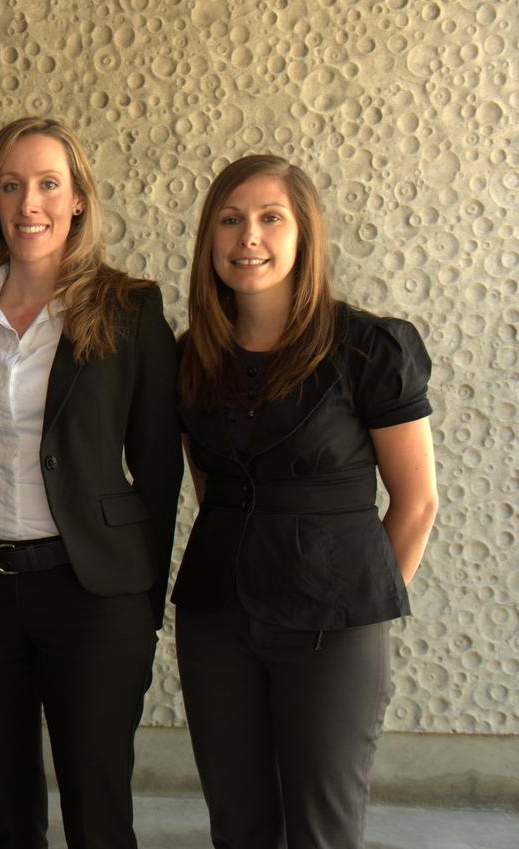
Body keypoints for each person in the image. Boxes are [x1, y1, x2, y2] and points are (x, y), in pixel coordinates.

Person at [173, 154, 439, 849]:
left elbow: (416, 502)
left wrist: (361, 610)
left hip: (335, 628)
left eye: (269, 218)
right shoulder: (192, 356)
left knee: (321, 831)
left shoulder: (369, 348)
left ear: (303, 234)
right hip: (218, 621)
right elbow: (212, 485)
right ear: (209, 238)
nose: (247, 237)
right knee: (238, 826)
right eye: (229, 221)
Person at [0, 117, 182, 849]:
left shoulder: (130, 310)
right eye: (10, 186)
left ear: (77, 200)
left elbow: (161, 470)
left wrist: (143, 601)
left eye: (47, 184)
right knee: (6, 819)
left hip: (93, 595)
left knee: (98, 815)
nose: (28, 203)